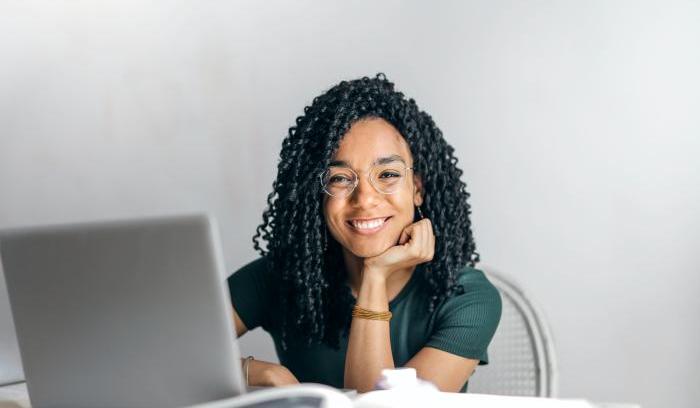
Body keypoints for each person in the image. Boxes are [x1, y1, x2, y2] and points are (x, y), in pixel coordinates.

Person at [227, 73, 501, 393]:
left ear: (417, 188)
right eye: (340, 179)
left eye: (387, 174)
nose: (365, 199)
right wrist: (260, 373)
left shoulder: (468, 298)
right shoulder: (281, 276)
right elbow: (164, 350)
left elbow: (381, 407)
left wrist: (375, 274)